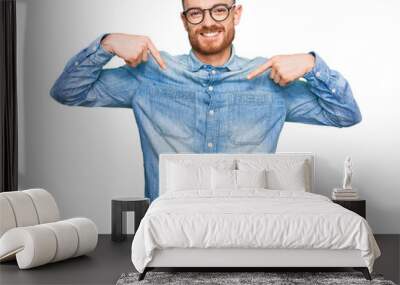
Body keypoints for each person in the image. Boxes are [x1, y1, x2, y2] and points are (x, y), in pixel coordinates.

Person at [50, 0, 362, 201]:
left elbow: (344, 114)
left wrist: (312, 64)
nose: (208, 21)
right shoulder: (149, 75)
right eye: (196, 12)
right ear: (184, 19)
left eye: (219, 9)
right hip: (171, 224)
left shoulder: (269, 79)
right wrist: (107, 44)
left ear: (235, 14)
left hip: (249, 222)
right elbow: (68, 91)